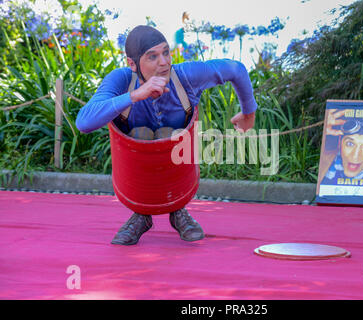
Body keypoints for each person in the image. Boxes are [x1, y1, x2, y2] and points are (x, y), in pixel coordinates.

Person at [76, 25, 257, 245]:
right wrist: (134, 96)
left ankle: (177, 210)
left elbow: (235, 69)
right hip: (133, 178)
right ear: (132, 63)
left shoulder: (185, 77)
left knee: (167, 132)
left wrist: (249, 113)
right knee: (141, 132)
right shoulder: (122, 80)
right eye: (152, 57)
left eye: (166, 52)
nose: (163, 62)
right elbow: (84, 122)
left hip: (179, 172)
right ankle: (142, 214)